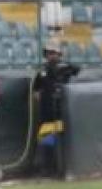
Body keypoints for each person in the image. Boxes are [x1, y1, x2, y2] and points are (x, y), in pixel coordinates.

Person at [33, 40, 80, 177]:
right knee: (47, 140)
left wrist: (64, 65)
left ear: (59, 54)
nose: (51, 56)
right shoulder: (42, 70)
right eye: (49, 53)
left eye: (54, 53)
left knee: (63, 139)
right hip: (46, 111)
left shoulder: (65, 67)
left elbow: (77, 70)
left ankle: (65, 168)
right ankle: (47, 168)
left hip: (62, 110)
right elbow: (36, 90)